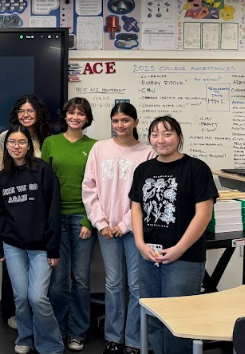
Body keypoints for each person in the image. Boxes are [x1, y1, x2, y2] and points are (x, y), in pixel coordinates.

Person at [130, 116, 217, 354]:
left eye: (167, 134)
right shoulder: (143, 169)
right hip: (149, 256)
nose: (161, 140)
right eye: (155, 134)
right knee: (154, 317)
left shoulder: (196, 168)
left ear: (179, 137)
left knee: (178, 323)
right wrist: (139, 243)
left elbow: (203, 214)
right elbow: (136, 207)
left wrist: (179, 249)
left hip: (184, 259)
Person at [82, 102, 155, 354]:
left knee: (136, 285)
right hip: (105, 229)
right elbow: (89, 187)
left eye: (125, 120)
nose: (120, 125)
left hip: (135, 228)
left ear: (135, 122)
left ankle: (134, 340)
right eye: (115, 121)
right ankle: (114, 337)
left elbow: (147, 195)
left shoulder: (147, 152)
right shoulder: (99, 148)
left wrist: (124, 225)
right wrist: (101, 223)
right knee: (113, 282)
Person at [0, 125, 63, 354]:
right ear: (6, 146)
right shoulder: (3, 176)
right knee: (21, 297)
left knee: (37, 297)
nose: (16, 146)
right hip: (13, 246)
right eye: (12, 142)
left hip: (41, 248)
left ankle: (50, 344)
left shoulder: (43, 171)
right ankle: (25, 337)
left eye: (21, 142)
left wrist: (53, 249)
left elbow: (54, 211)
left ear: (29, 146)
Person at [0, 94, 51, 329]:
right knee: (12, 269)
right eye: (21, 111)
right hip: (11, 211)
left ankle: (41, 317)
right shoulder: (4, 137)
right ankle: (13, 314)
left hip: (39, 215)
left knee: (41, 275)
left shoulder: (48, 139)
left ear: (38, 114)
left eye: (31, 111)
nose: (26, 115)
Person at [42, 97, 97, 352]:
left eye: (81, 114)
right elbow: (43, 184)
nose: (76, 117)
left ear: (87, 118)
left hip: (82, 219)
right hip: (56, 219)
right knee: (59, 280)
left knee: (82, 278)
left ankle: (78, 332)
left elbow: (99, 188)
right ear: (64, 116)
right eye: (71, 113)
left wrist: (88, 220)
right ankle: (59, 330)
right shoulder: (51, 143)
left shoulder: (95, 147)